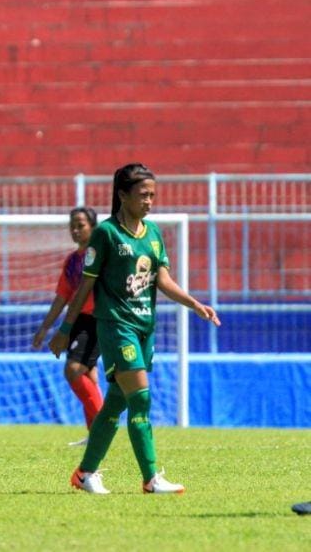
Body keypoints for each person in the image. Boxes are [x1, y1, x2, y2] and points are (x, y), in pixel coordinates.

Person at [49, 163, 220, 495]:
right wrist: (66, 328)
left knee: (115, 403)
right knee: (140, 398)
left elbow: (164, 281)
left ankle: (85, 473)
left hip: (145, 328)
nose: (149, 201)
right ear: (122, 195)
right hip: (116, 327)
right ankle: (151, 478)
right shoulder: (107, 234)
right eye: (143, 194)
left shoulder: (154, 234)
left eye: (153, 195)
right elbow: (85, 285)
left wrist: (194, 303)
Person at [32, 207, 103, 446]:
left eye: (80, 225)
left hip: (98, 318)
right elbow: (62, 297)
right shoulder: (72, 261)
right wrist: (44, 328)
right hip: (79, 320)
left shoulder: (102, 255)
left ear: (93, 226)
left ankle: (103, 429)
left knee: (73, 369)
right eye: (72, 225)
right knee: (88, 374)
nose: (75, 230)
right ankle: (95, 434)